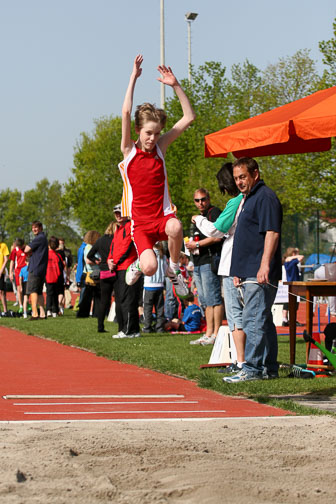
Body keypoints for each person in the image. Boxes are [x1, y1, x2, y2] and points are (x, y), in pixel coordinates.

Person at [119, 54, 196, 299]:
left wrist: (176, 86)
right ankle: (139, 265)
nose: (153, 138)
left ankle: (174, 270)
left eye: (157, 133)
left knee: (176, 225)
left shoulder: (161, 148)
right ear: (139, 131)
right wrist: (133, 78)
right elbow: (126, 111)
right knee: (150, 267)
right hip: (140, 224)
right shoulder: (129, 151)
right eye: (148, 133)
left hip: (162, 217)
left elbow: (188, 118)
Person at [223, 157, 282, 383]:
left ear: (255, 174)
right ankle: (269, 367)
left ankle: (253, 368)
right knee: (262, 319)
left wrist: (264, 265)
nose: (239, 182)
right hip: (247, 270)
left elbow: (272, 232)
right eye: (236, 178)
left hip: (259, 271)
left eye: (243, 177)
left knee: (253, 319)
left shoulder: (265, 197)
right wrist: (238, 268)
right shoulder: (248, 198)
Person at [192, 163, 246, 369]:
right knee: (229, 308)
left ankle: (241, 362)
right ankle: (244, 360)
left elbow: (216, 231)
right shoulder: (245, 201)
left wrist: (198, 220)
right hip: (235, 264)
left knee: (234, 313)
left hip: (230, 265)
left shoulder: (235, 202)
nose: (200, 203)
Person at [186, 188, 223, 346]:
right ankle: (208, 332)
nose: (201, 203)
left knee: (214, 298)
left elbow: (218, 236)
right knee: (205, 300)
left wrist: (198, 243)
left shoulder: (214, 213)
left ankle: (216, 333)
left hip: (209, 260)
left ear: (208, 198)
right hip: (198, 261)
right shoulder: (198, 217)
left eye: (203, 199)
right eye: (197, 200)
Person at [107, 207, 141, 339]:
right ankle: (128, 329)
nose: (118, 215)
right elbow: (113, 247)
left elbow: (126, 246)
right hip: (118, 268)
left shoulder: (129, 227)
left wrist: (115, 261)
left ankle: (128, 330)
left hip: (127, 268)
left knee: (127, 300)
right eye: (116, 213)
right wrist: (109, 260)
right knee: (121, 299)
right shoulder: (118, 229)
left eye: (120, 213)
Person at [87, 219, 116, 333]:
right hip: (115, 271)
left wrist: (97, 261)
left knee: (104, 300)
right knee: (119, 299)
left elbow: (90, 255)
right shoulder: (116, 240)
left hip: (104, 272)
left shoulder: (100, 241)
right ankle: (121, 325)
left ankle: (100, 326)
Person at [24, 221, 48, 320]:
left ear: (41, 228)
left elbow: (26, 249)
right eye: (33, 227)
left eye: (36, 227)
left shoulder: (39, 238)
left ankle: (35, 313)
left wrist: (29, 249)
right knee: (39, 292)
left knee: (33, 290)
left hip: (35, 268)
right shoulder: (44, 238)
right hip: (41, 269)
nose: (34, 229)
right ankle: (42, 313)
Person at [142, 242, 167, 333]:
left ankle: (147, 327)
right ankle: (159, 327)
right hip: (159, 285)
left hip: (149, 285)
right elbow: (165, 269)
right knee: (159, 308)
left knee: (147, 308)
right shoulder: (162, 256)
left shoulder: (147, 255)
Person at [281, 247, 304, 326]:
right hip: (293, 283)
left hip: (290, 283)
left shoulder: (287, 262)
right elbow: (301, 257)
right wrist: (294, 256)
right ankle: (290, 319)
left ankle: (285, 319)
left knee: (287, 302)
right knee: (294, 302)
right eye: (295, 253)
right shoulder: (292, 261)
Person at [46, 236, 64, 318]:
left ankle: (48, 310)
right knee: (55, 294)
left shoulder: (46, 255)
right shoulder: (58, 256)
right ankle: (54, 311)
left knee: (49, 294)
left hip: (48, 277)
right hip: (56, 277)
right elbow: (61, 267)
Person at [9, 238, 26, 313]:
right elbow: (12, 262)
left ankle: (26, 303)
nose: (19, 248)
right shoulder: (15, 250)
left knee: (26, 289)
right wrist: (10, 273)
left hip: (26, 271)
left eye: (20, 246)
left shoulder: (27, 249)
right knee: (19, 289)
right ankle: (21, 305)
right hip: (18, 271)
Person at [0, 238, 9, 314]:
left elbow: (6, 259)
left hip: (1, 272)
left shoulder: (3, 246)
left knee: (2, 292)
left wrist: (1, 270)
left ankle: (5, 310)